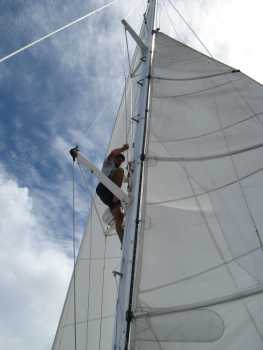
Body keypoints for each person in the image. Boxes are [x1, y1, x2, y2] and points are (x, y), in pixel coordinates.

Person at [96, 144, 129, 243]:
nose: (120, 161)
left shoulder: (120, 174)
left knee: (119, 217)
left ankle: (123, 242)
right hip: (104, 188)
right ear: (114, 158)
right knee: (120, 171)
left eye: (121, 160)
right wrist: (122, 149)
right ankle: (116, 195)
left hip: (111, 197)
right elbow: (113, 153)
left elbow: (127, 180)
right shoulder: (108, 163)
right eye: (118, 158)